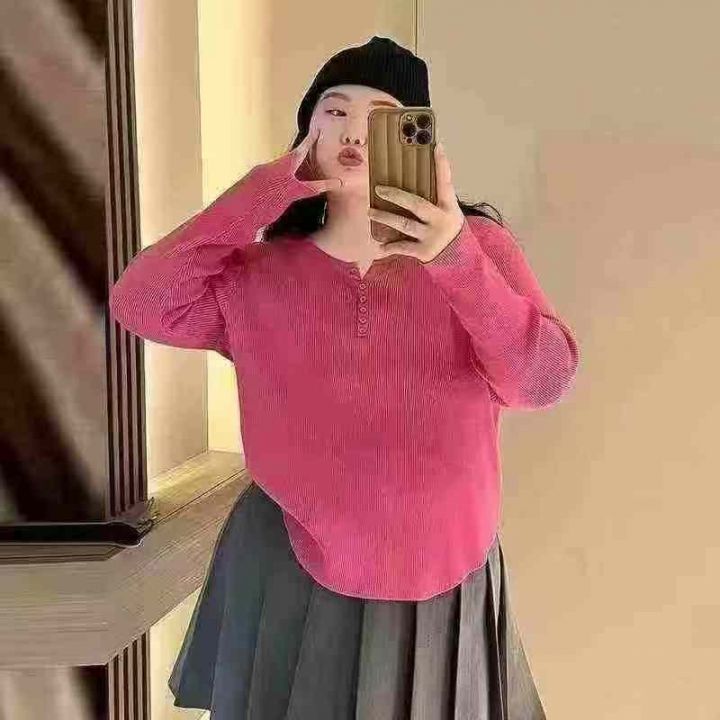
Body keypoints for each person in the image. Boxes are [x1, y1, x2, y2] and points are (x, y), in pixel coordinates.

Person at [110, 35, 579, 720]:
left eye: (382, 117)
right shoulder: (257, 273)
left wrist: (453, 255)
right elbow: (141, 302)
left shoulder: (478, 252)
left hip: (445, 567)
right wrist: (265, 191)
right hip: (287, 558)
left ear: (418, 139)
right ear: (306, 132)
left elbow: (542, 381)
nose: (354, 129)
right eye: (335, 111)